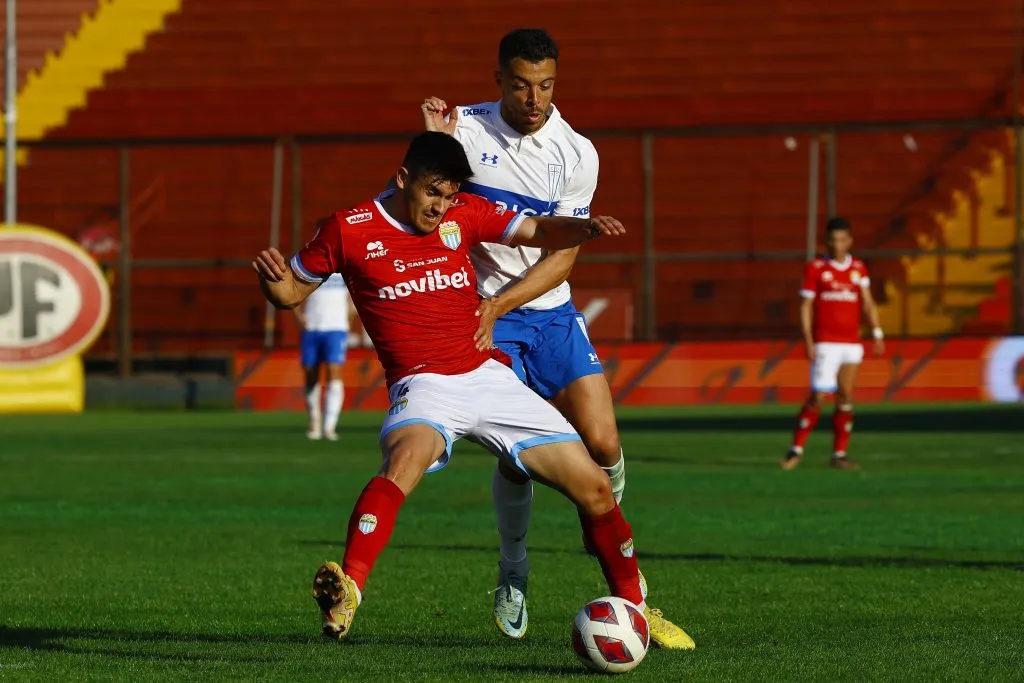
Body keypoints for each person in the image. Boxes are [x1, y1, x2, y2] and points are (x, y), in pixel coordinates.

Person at [253, 131, 649, 640]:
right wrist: (270, 279)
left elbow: (533, 229)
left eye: (449, 194)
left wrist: (582, 227)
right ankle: (348, 589)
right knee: (404, 462)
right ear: (403, 180)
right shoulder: (348, 229)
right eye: (432, 192)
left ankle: (636, 610)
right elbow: (289, 292)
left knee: (595, 487)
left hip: (486, 374)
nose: (441, 206)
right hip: (423, 386)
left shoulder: (464, 211)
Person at [421, 28, 694, 649]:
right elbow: (417, 203)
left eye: (545, 85)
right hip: (486, 317)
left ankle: (606, 540)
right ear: (499, 81)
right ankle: (515, 569)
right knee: (517, 454)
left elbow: (563, 257)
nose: (534, 98)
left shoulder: (577, 153)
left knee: (603, 442)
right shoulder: (463, 128)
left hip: (546, 310)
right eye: (521, 85)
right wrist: (434, 143)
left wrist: (501, 300)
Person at [783, 216, 885, 471]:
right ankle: (796, 449)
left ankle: (839, 454)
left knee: (845, 396)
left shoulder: (859, 268)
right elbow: (805, 305)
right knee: (819, 396)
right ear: (826, 241)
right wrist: (808, 339)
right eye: (832, 239)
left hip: (851, 342)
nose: (836, 244)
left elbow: (867, 301)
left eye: (841, 239)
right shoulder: (816, 268)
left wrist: (877, 332)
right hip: (826, 343)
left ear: (849, 241)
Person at [293, 273, 354, 440]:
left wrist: (347, 321)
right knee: (310, 373)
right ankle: (314, 419)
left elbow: (351, 298)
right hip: (311, 328)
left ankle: (329, 426)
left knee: (334, 371)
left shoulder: (344, 269)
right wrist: (299, 318)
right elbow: (293, 294)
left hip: (336, 328)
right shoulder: (309, 267)